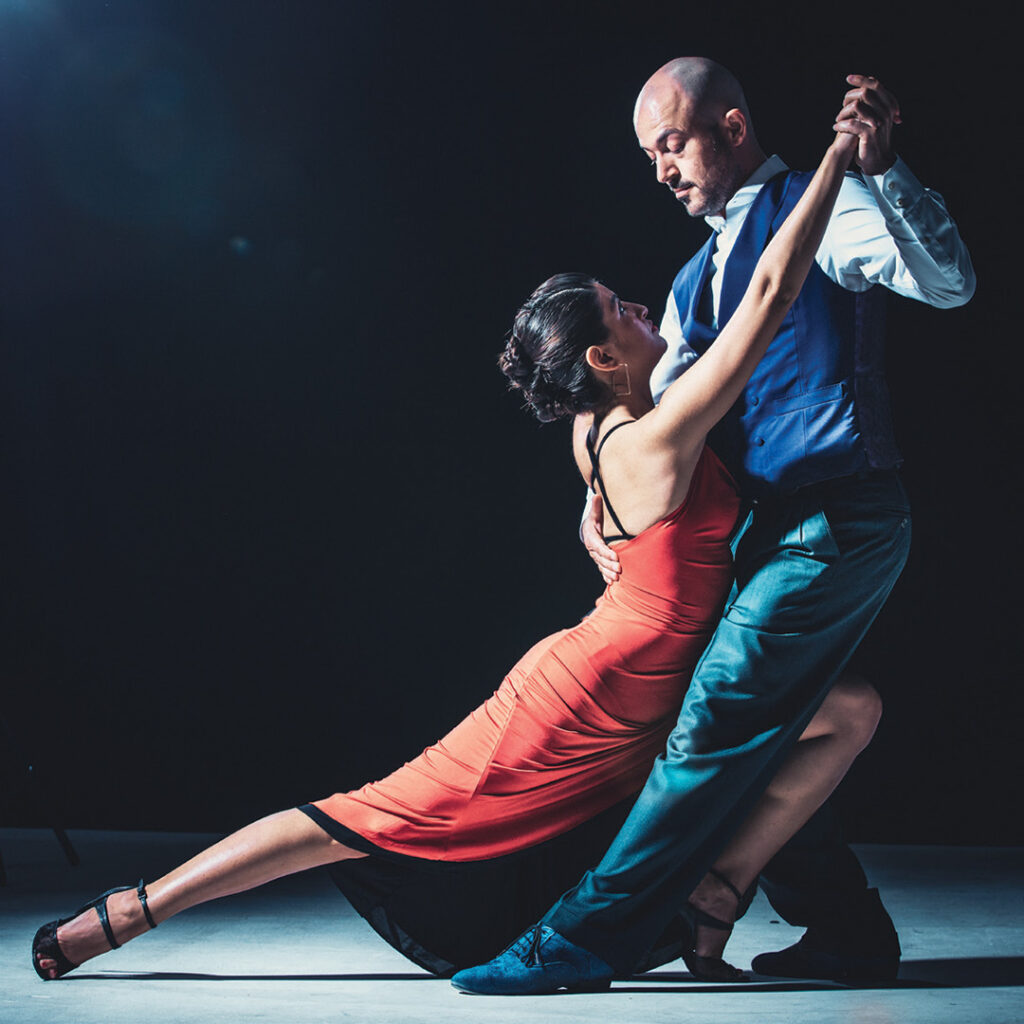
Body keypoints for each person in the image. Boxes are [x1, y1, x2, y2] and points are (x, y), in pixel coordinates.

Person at [32, 114, 871, 987]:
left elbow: (609, 509)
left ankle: (715, 896)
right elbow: (772, 293)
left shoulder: (596, 423)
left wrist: (594, 525)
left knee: (848, 711)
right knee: (360, 819)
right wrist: (836, 160)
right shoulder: (658, 440)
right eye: (625, 311)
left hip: (664, 674)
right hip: (589, 699)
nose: (646, 310)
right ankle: (130, 911)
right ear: (602, 356)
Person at [451, 61, 974, 995]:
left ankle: (585, 936)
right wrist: (595, 491)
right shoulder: (692, 280)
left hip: (839, 512)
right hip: (766, 534)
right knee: (776, 723)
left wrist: (887, 176)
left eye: (672, 144)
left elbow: (948, 285)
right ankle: (845, 927)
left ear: (731, 127)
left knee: (715, 723)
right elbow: (655, 410)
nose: (660, 170)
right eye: (648, 154)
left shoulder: (833, 207)